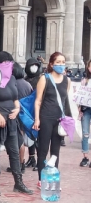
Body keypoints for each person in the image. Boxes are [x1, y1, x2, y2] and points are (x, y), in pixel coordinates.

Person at [0, 51, 33, 196]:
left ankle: (18, 183)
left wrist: (17, 109)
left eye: (10, 64)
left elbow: (16, 99)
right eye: (6, 64)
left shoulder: (12, 79)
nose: (9, 67)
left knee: (14, 152)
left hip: (11, 120)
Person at [33, 52, 71, 188]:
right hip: (46, 118)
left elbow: (66, 102)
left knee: (56, 151)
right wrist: (37, 119)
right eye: (58, 62)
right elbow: (38, 101)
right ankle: (41, 179)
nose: (61, 65)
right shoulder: (45, 78)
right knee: (43, 149)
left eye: (63, 62)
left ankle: (53, 178)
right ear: (51, 64)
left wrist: (68, 121)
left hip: (59, 119)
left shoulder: (67, 80)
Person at [24, 57, 42, 169]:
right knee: (30, 136)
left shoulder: (41, 79)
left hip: (38, 112)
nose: (34, 68)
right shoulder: (25, 79)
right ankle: (31, 157)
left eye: (36, 65)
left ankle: (40, 160)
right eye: (32, 65)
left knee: (39, 138)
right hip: (28, 111)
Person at [79, 59, 91, 167]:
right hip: (86, 109)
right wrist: (80, 111)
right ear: (88, 67)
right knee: (85, 133)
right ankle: (85, 157)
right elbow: (80, 96)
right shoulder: (85, 81)